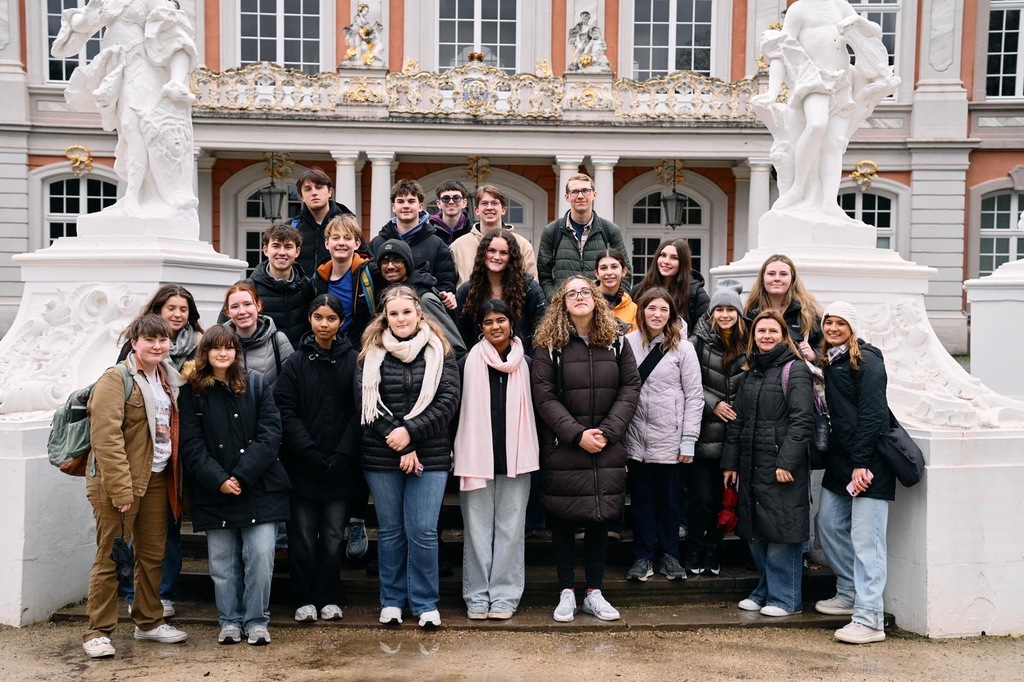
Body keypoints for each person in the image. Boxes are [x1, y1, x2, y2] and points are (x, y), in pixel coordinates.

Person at [531, 275, 640, 622]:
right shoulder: (549, 345)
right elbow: (543, 395)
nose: (579, 297)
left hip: (606, 444)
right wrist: (577, 434)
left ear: (595, 298)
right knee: (563, 518)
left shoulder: (618, 342)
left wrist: (607, 432)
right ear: (562, 303)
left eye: (584, 292)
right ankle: (566, 591)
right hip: (565, 445)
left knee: (599, 516)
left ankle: (594, 590)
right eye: (571, 293)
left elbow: (631, 387)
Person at [83, 314, 189, 659]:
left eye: (163, 340)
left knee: (152, 554)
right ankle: (97, 631)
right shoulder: (116, 379)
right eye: (150, 340)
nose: (157, 346)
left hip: (158, 477)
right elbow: (106, 438)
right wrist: (121, 490)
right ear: (135, 344)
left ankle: (148, 621)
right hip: (120, 482)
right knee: (112, 556)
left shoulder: (168, 379)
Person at [357, 285, 461, 629]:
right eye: (393, 313)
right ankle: (392, 601)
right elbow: (364, 404)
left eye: (406, 312)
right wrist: (401, 441)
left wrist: (411, 434)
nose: (400, 319)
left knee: (422, 531)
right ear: (385, 318)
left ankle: (425, 602)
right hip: (382, 455)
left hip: (429, 456)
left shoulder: (440, 350)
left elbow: (447, 402)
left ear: (419, 313)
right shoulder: (370, 354)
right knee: (390, 532)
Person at [179, 325, 288, 646]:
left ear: (236, 352)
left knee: (260, 556)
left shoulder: (256, 384)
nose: (223, 353)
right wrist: (220, 480)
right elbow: (191, 445)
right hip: (215, 490)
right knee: (223, 563)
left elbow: (271, 435)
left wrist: (241, 476)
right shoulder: (191, 392)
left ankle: (256, 620)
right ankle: (229, 620)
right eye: (216, 348)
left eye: (229, 347)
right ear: (206, 353)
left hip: (258, 487)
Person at [751, 0, 899, 219]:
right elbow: (781, 52)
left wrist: (858, 20)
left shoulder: (840, 6)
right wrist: (772, 92)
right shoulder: (799, 9)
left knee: (835, 143)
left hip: (842, 81)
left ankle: (829, 202)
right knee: (816, 125)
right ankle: (798, 188)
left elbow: (875, 32)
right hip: (814, 78)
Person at [51, 0, 198, 219]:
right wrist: (95, 10)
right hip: (117, 70)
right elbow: (78, 25)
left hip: (142, 66)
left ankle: (134, 195)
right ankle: (136, 194)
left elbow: (176, 37)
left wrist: (177, 80)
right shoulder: (108, 1)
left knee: (135, 125)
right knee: (128, 132)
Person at [115, 284, 203, 619]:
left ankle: (163, 594)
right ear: (157, 311)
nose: (178, 315)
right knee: (133, 531)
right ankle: (131, 592)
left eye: (183, 309)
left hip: (176, 450)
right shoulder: (134, 348)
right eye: (171, 308)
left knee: (168, 528)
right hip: (140, 452)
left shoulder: (198, 344)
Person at [274, 295, 360, 624]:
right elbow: (285, 410)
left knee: (333, 536)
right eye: (318, 317)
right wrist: (308, 452)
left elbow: (358, 411)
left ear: (341, 322)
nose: (324, 324)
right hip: (303, 466)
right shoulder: (296, 362)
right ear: (310, 319)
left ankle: (329, 597)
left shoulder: (353, 360)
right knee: (303, 537)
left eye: (331, 318)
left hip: (340, 466)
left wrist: (342, 454)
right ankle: (303, 598)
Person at [722, 310, 813, 617]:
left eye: (773, 330)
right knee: (757, 530)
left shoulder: (795, 370)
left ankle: (785, 598)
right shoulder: (751, 372)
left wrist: (787, 461)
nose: (766, 336)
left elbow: (802, 421)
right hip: (751, 465)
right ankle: (764, 591)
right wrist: (730, 463)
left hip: (781, 467)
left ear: (783, 334)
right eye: (761, 331)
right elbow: (739, 420)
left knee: (782, 531)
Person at [454, 300, 539, 620]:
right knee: (475, 529)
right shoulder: (465, 364)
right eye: (488, 322)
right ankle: (476, 595)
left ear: (512, 325)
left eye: (501, 320)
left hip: (517, 458)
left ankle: (505, 594)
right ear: (480, 329)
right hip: (476, 457)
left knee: (511, 528)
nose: (495, 327)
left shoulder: (528, 364)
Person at [814, 302, 894, 644]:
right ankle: (848, 591)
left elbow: (874, 415)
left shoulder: (868, 360)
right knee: (828, 523)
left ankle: (870, 618)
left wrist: (862, 462)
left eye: (840, 322)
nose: (832, 328)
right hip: (842, 460)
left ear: (853, 327)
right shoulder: (832, 360)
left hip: (870, 462)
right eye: (828, 322)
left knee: (868, 541)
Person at [623, 288, 703, 583]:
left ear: (671, 314)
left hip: (671, 437)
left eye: (663, 309)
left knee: (670, 500)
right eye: (651, 308)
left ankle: (670, 555)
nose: (657, 314)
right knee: (641, 499)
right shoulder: (627, 344)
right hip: (637, 436)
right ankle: (642, 557)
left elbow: (695, 396)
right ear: (641, 310)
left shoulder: (683, 348)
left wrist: (689, 439)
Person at [686, 280, 748, 576]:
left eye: (729, 309)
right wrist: (714, 404)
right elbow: (689, 380)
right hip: (702, 434)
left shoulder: (748, 344)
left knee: (725, 500)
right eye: (719, 309)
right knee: (701, 499)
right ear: (711, 313)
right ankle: (695, 549)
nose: (724, 314)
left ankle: (713, 549)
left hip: (733, 437)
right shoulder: (697, 342)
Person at [537, 173, 628, 299]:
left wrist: (616, 302)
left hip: (603, 308)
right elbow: (543, 275)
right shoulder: (552, 231)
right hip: (564, 308)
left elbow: (625, 271)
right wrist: (555, 301)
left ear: (594, 195)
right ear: (567, 197)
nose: (580, 196)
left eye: (585, 191)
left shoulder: (610, 230)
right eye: (574, 192)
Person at [456, 229, 546, 355]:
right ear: (483, 253)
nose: (496, 257)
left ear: (511, 257)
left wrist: (529, 362)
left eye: (503, 253)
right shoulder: (467, 291)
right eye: (491, 251)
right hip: (478, 362)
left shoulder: (529, 289)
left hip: (522, 362)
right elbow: (460, 335)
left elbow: (542, 331)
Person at [370, 179, 457, 307]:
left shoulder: (436, 243)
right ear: (393, 207)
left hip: (425, 314)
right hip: (385, 312)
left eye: (411, 201)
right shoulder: (378, 243)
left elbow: (446, 283)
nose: (406, 206)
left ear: (421, 206)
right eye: (400, 201)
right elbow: (373, 282)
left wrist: (444, 295)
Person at [234, 223, 316, 346]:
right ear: (265, 250)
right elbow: (226, 331)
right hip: (262, 362)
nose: (282, 252)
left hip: (298, 361)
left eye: (288, 247)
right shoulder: (247, 288)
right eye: (276, 246)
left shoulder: (306, 286)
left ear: (297, 252)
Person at [449, 185, 538, 286]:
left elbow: (532, 285)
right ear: (476, 210)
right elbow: (449, 286)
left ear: (504, 209)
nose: (489, 208)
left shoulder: (522, 245)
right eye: (484, 203)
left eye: (495, 203)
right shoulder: (458, 246)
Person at [311, 214, 377, 349]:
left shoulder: (370, 273)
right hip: (327, 349)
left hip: (361, 350)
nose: (341, 243)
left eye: (347, 238)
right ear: (327, 243)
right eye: (335, 238)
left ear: (357, 243)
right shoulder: (318, 277)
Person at [744, 254, 822, 361]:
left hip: (795, 375)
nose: (777, 279)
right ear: (763, 278)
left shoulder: (808, 313)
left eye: (783, 274)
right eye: (771, 274)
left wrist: (815, 355)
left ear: (792, 279)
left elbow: (827, 346)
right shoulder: (750, 313)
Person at [222, 283, 295, 386]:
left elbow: (292, 384)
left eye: (247, 304)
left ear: (258, 305)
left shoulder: (278, 340)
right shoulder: (219, 344)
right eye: (234, 307)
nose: (242, 311)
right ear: (228, 312)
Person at [631, 238, 709, 334]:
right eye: (663, 255)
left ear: (683, 263)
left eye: (674, 258)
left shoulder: (696, 294)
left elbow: (704, 331)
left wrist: (684, 346)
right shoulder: (639, 290)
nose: (666, 261)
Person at [291, 167, 355, 276]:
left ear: (330, 191)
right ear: (301, 197)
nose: (314, 193)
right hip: (300, 291)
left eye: (319, 187)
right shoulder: (292, 227)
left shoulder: (349, 225)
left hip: (336, 290)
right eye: (308, 189)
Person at [594, 249, 637, 333]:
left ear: (624, 271)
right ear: (597, 274)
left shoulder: (633, 309)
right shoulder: (588, 303)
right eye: (603, 268)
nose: (609, 272)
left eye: (614, 267)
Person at [428, 179, 472, 245]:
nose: (451, 202)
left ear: (464, 203)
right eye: (446, 198)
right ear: (438, 203)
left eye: (456, 198)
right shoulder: (427, 231)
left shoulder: (473, 231)